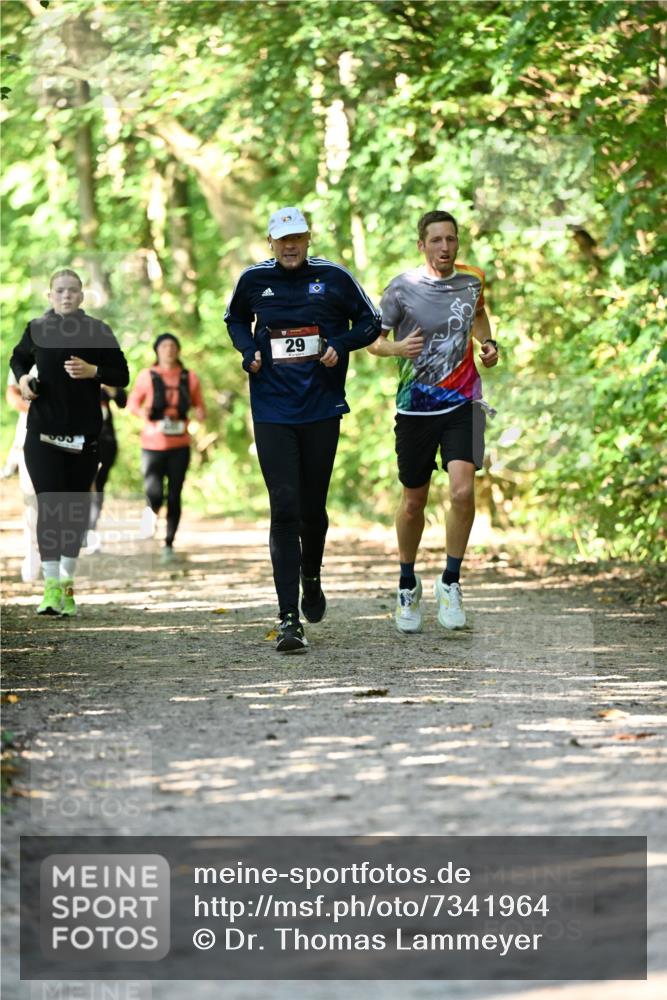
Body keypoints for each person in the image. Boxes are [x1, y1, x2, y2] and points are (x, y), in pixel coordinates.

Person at [225, 206, 381, 654]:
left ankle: (311, 576)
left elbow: (371, 322)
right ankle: (288, 617)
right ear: (270, 242)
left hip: (321, 407)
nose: (290, 245)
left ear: (308, 239)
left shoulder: (334, 277)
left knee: (312, 509)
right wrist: (248, 348)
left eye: (298, 238)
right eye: (282, 239)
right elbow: (235, 319)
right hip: (272, 409)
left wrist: (339, 344)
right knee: (284, 508)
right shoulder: (253, 280)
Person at [368, 210, 499, 633]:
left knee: (462, 491)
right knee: (413, 502)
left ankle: (451, 581)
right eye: (436, 240)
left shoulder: (472, 278)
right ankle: (407, 583)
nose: (445, 247)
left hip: (465, 399)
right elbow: (374, 342)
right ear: (421, 244)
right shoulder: (401, 288)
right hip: (415, 407)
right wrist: (398, 349)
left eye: (451, 239)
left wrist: (488, 343)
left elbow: (478, 316)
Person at [10, 268, 130, 615]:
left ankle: (67, 587)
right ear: (50, 295)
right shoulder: (37, 328)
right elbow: (18, 358)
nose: (66, 295)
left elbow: (122, 374)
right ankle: (49, 591)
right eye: (59, 290)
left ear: (81, 296)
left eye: (72, 291)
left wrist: (95, 372)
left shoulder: (97, 331)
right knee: (49, 508)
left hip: (83, 437)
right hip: (43, 435)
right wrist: (23, 380)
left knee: (74, 513)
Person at [127, 333, 206, 563]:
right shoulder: (146, 376)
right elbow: (132, 404)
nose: (169, 350)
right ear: (157, 350)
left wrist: (200, 415)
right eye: (164, 346)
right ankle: (150, 514)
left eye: (173, 346)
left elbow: (200, 406)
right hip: (152, 444)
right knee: (154, 492)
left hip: (179, 444)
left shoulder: (189, 377)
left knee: (175, 493)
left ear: (178, 350)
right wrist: (144, 414)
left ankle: (169, 543)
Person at [4, 370, 41, 582]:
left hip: (66, 437)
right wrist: (38, 410)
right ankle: (32, 553)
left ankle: (58, 559)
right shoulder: (25, 354)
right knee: (32, 500)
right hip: (29, 435)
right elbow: (12, 394)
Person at [87, 384, 127, 548]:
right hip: (80, 439)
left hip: (105, 441)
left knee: (98, 486)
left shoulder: (103, 372)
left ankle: (91, 531)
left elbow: (123, 401)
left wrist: (108, 386)